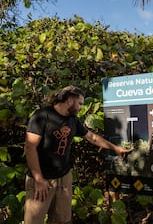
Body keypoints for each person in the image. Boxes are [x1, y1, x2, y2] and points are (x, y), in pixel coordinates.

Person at [24, 85, 129, 224]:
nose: (81, 107)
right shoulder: (42, 116)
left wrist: (115, 148)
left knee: (62, 220)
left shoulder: (73, 120)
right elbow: (30, 147)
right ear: (69, 101)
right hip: (42, 180)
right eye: (79, 103)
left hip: (63, 178)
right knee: (34, 221)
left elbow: (92, 137)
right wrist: (38, 179)